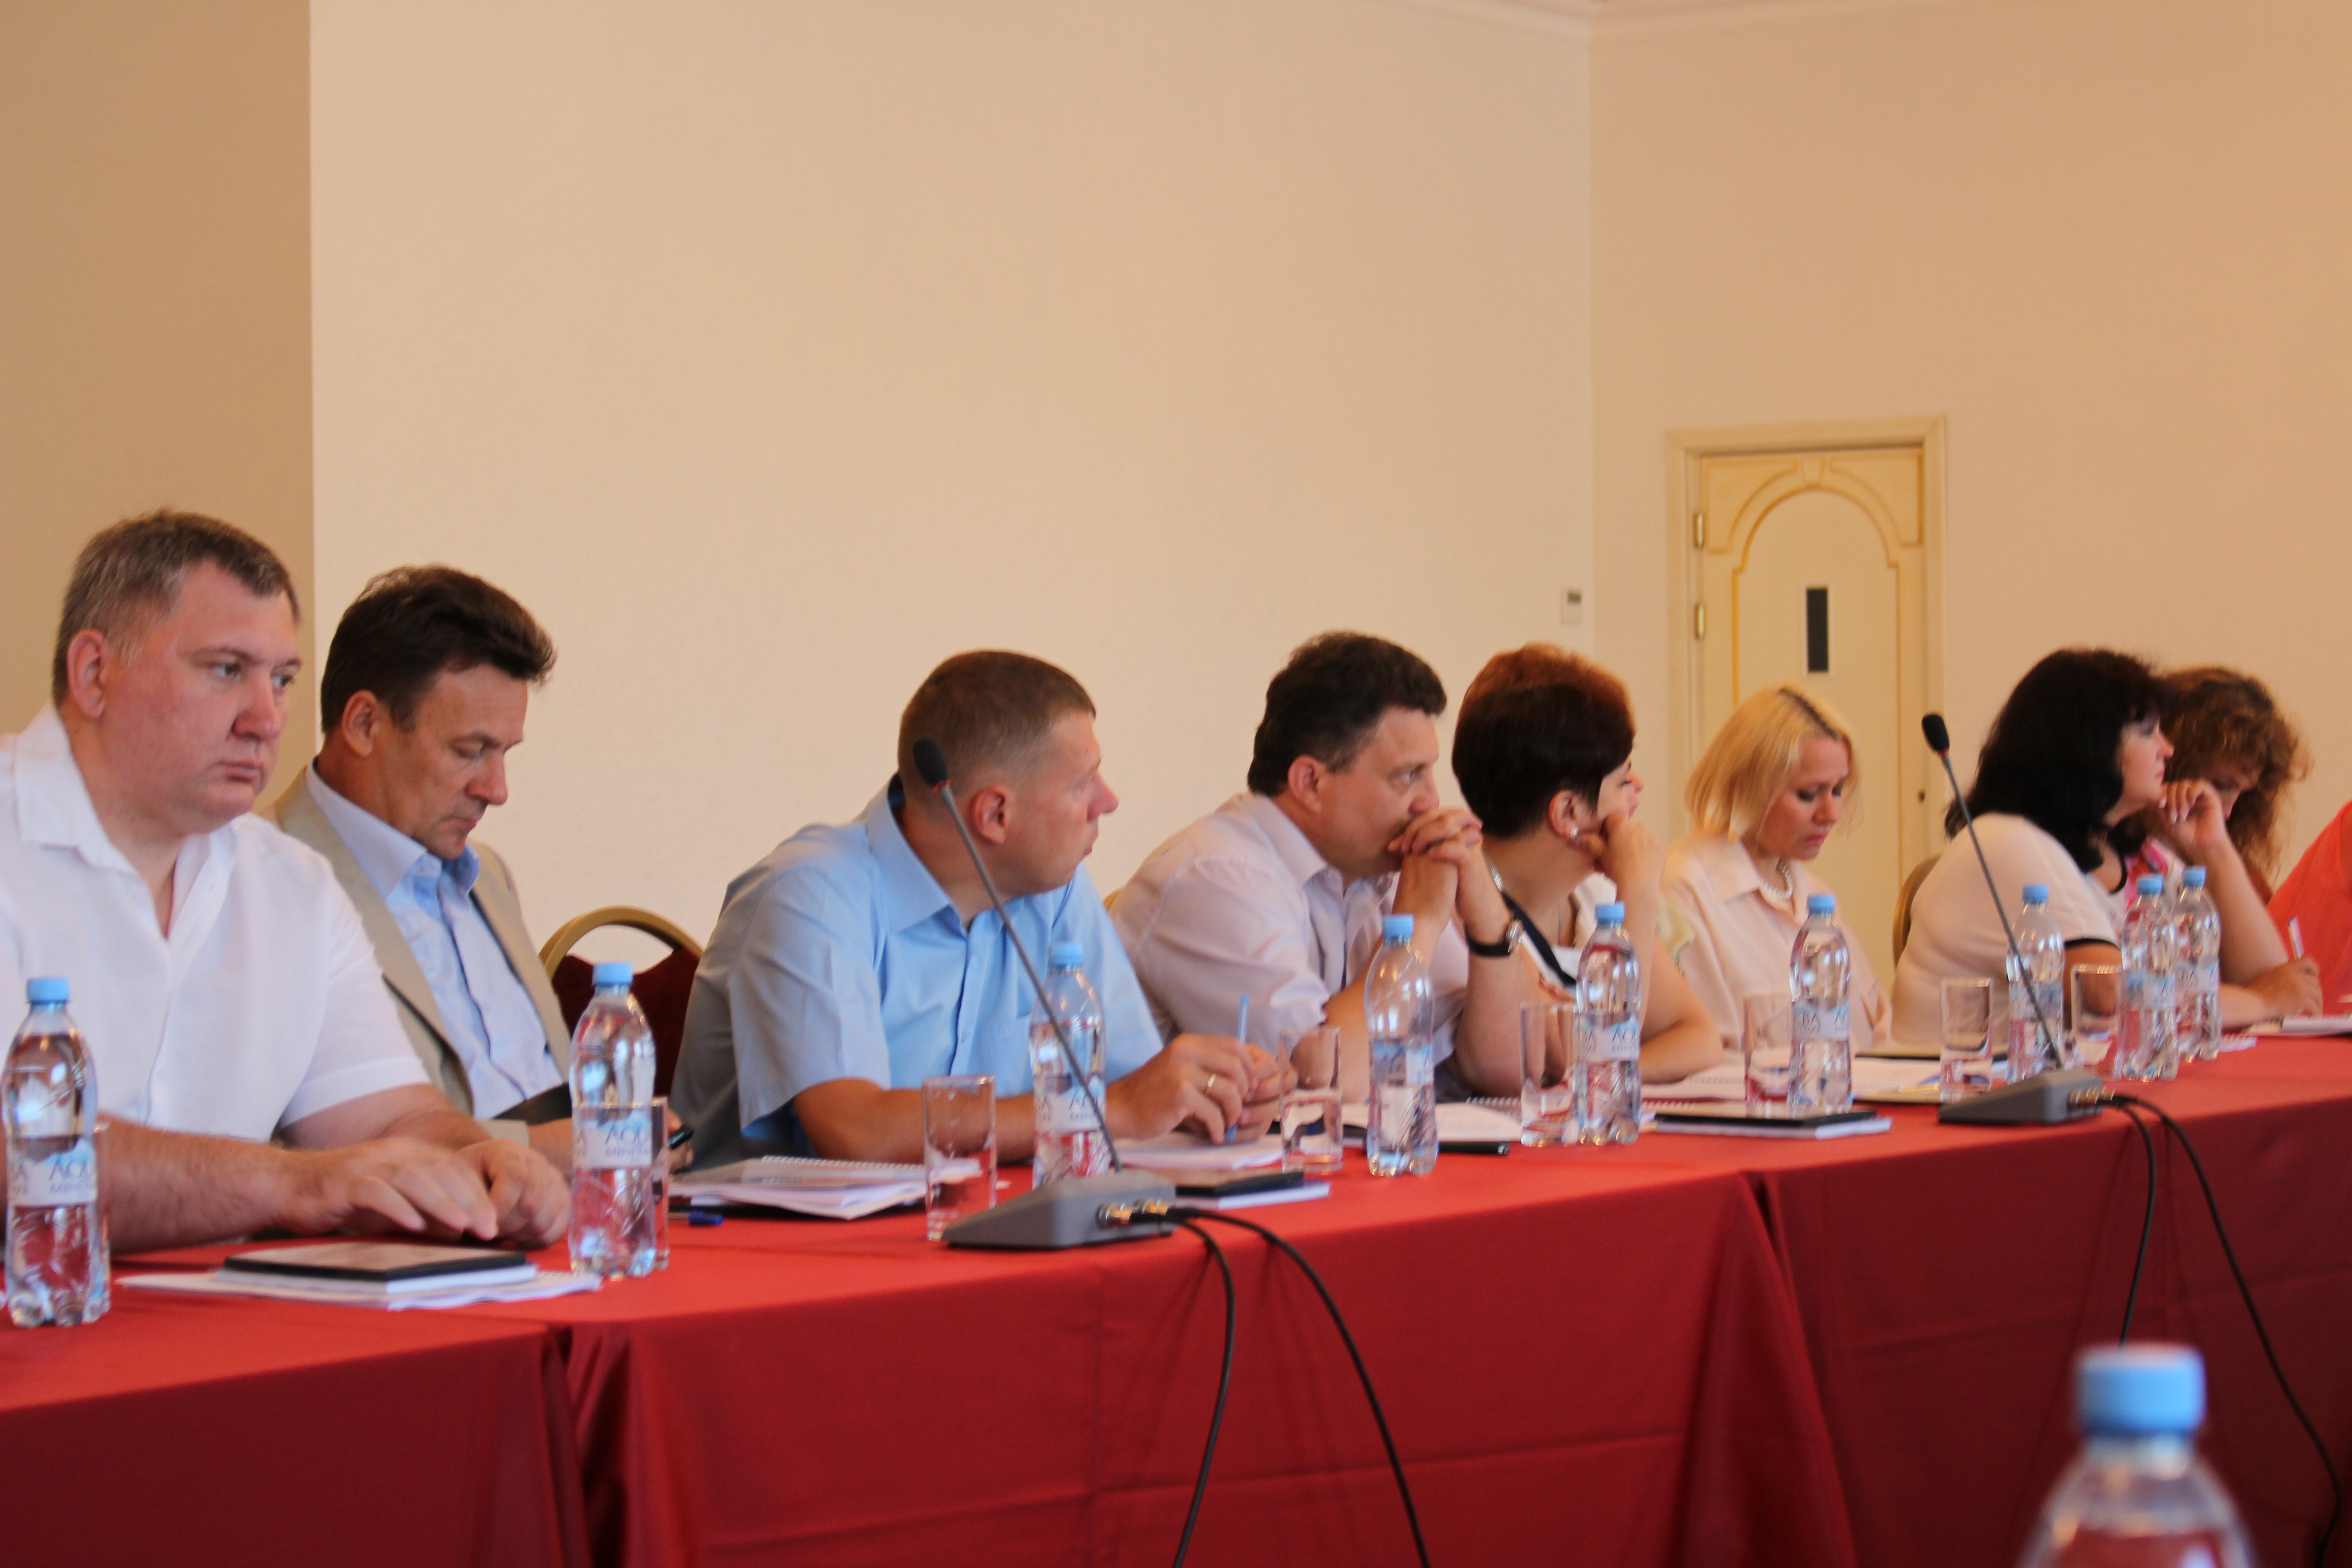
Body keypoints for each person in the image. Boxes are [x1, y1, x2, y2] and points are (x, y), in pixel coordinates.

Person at [0, 511, 568, 1252]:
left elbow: (391, 1119)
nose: (267, 720)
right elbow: (20, 1156)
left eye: (282, 680)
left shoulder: (294, 885)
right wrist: (294, 1183)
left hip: (221, 1311)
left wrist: (481, 1164)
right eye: (226, 671)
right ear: (93, 674)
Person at [671, 651, 1284, 1167]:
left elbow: (1135, 1088)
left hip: (980, 1225)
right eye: (1082, 784)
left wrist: (1209, 1095)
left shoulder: (1054, 889)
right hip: (766, 1253)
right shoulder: (810, 895)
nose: (1109, 801)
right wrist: (1112, 1109)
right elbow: (857, 1131)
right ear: (995, 814)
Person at [1114, 632, 1563, 1101]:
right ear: (1310, 782)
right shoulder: (1214, 877)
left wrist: (1488, 917)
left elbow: (1515, 1068)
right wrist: (1418, 927)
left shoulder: (1382, 868)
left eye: (1430, 772)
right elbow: (1322, 1084)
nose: (1431, 801)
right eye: (1407, 776)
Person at [267, 566, 611, 1176]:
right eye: (470, 751)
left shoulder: (488, 876)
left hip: (578, 1199)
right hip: (428, 1213)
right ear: (364, 724)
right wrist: (550, 1150)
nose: (497, 790)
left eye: (504, 753)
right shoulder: (265, 883)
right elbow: (301, 1143)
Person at [1891, 649, 2318, 1045]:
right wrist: (2262, 1003)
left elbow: (2276, 980)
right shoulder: (2007, 840)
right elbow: (2107, 992)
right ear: (2090, 747)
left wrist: (2214, 851)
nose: (2167, 750)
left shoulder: (2136, 855)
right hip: (1949, 1090)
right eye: (2148, 733)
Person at [1450, 646, 1720, 1081]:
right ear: (1569, 812)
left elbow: (1699, 1037)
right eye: (1623, 779)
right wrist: (1639, 896)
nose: (1638, 787)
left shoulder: (1594, 894)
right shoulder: (1462, 905)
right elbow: (1592, 1046)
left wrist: (1608, 1078)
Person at [1662, 683, 1892, 1055]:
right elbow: (1705, 1057)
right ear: (1746, 786)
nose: (1831, 814)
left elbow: (1879, 1031)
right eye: (1808, 794)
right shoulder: (1685, 890)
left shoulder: (1815, 893)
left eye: (1838, 790)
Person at [2136, 667, 2308, 905]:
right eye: (2220, 785)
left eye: (2244, 794)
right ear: (2170, 760)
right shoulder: (2108, 866)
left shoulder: (2243, 879)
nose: (2227, 812)